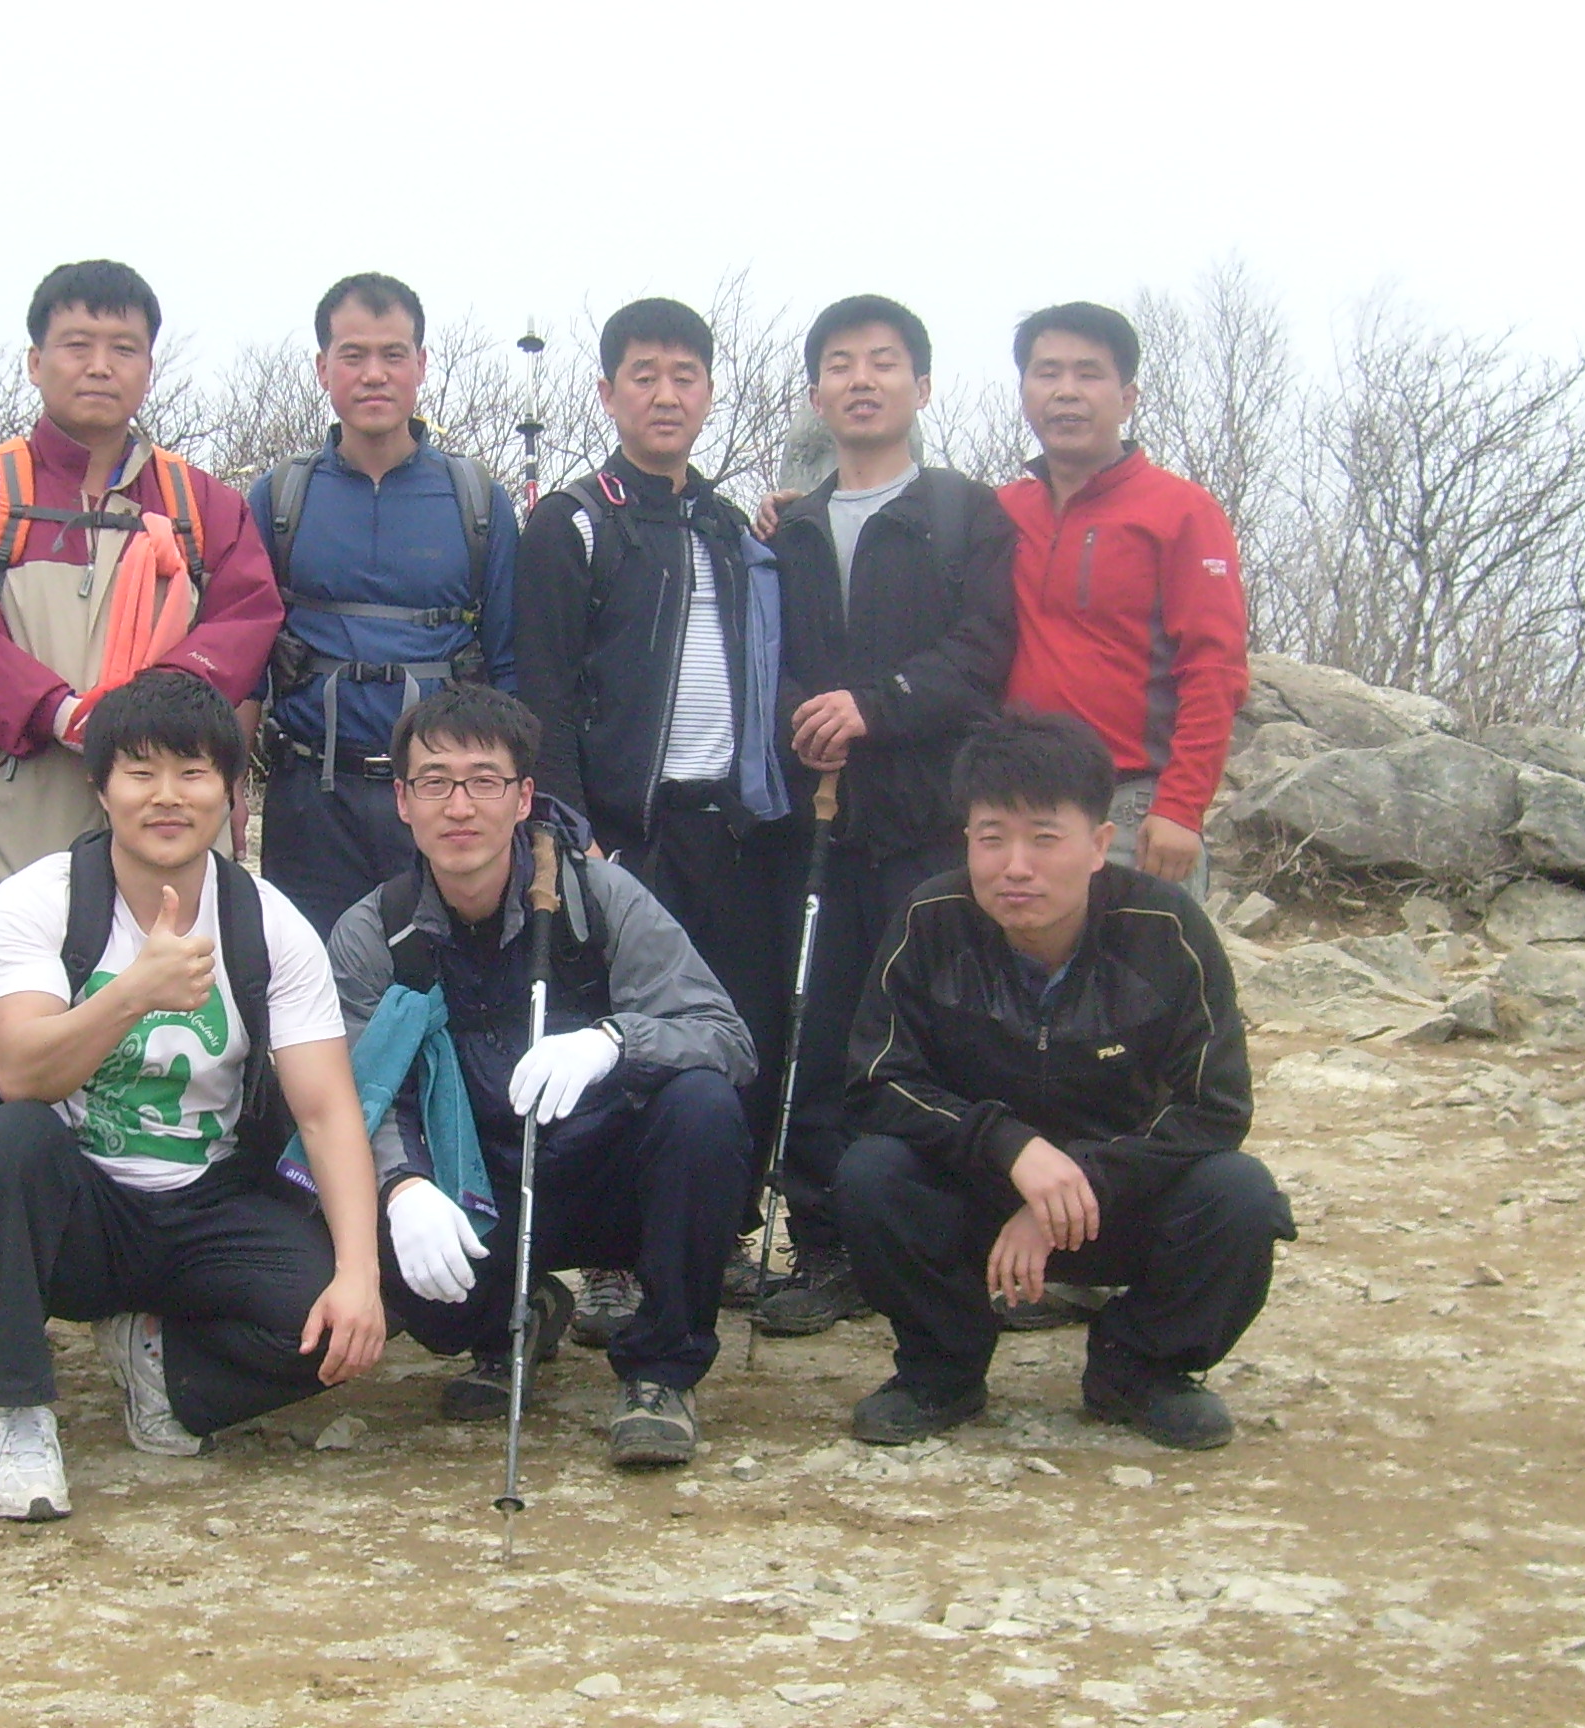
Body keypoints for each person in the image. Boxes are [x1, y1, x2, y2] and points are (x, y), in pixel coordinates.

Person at [0, 667, 387, 1522]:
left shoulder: (269, 922)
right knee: (11, 1142)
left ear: (231, 792)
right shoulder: (37, 900)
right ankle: (18, 1413)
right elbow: (20, 1074)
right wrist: (131, 994)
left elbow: (326, 1109)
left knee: (346, 1312)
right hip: (78, 1210)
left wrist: (360, 1275)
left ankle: (162, 1370)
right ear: (100, 786)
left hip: (206, 1204)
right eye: (140, 772)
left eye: (193, 773)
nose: (167, 797)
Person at [834, 712, 1291, 1452]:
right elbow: (878, 1080)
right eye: (992, 838)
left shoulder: (1166, 928)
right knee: (871, 1173)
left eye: (1044, 838)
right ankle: (941, 1367)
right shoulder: (930, 921)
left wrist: (1078, 1183)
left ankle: (1140, 1369)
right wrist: (1008, 1146)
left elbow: (1214, 1107)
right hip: (979, 1193)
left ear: (1099, 845)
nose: (1015, 866)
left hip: (1120, 1200)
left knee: (1239, 1194)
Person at [325, 685, 753, 1466]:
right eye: (434, 781)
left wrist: (614, 1041)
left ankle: (661, 1372)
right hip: (476, 1186)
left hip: (611, 1177)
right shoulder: (373, 933)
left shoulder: (600, 898)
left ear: (523, 798)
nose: (460, 806)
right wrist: (401, 1187)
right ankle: (509, 1320)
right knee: (368, 1221)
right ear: (402, 800)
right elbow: (359, 1092)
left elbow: (725, 1038)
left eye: (484, 781)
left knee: (704, 1108)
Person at [0, 260, 283, 1130]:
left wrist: (145, 723)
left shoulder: (203, 504)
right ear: (35, 360)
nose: (99, 365)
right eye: (76, 344)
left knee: (183, 1039)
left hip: (167, 808)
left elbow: (248, 618)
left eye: (123, 348)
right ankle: (4, 1197)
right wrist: (60, 712)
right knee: (9, 1052)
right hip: (21, 810)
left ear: (150, 367)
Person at [516, 296, 798, 1347]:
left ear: (711, 392)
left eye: (685, 376)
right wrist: (565, 825)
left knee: (735, 1031)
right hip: (621, 835)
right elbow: (542, 687)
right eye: (644, 375)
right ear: (607, 392)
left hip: (735, 830)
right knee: (619, 1035)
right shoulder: (574, 521)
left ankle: (709, 1236)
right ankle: (611, 1260)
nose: (666, 394)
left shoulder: (729, 529)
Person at [753, 294, 1018, 1339]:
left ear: (923, 384)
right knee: (815, 1035)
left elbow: (984, 650)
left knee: (937, 1037)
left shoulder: (964, 513)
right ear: (816, 392)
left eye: (883, 361)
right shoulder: (789, 528)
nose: (861, 380)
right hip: (816, 829)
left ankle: (953, 1240)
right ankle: (827, 1246)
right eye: (840, 364)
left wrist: (877, 705)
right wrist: (799, 719)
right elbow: (761, 654)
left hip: (931, 825)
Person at [247, 272, 520, 933]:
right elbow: (246, 658)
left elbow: (511, 663)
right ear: (323, 367)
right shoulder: (279, 499)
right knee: (308, 981)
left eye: (393, 354)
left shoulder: (478, 502)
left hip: (440, 803)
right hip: (308, 798)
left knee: (439, 977)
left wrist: (514, 801)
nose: (374, 374)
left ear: (421, 365)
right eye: (353, 354)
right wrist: (226, 778)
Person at [996, 301, 1249, 895]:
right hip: (1015, 805)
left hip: (1135, 806)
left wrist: (1182, 806)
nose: (1066, 391)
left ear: (1127, 396)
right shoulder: (1001, 511)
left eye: (1088, 374)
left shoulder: (1181, 511)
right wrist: (803, 508)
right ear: (1025, 391)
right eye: (1047, 373)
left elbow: (1214, 666)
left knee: (1141, 958)